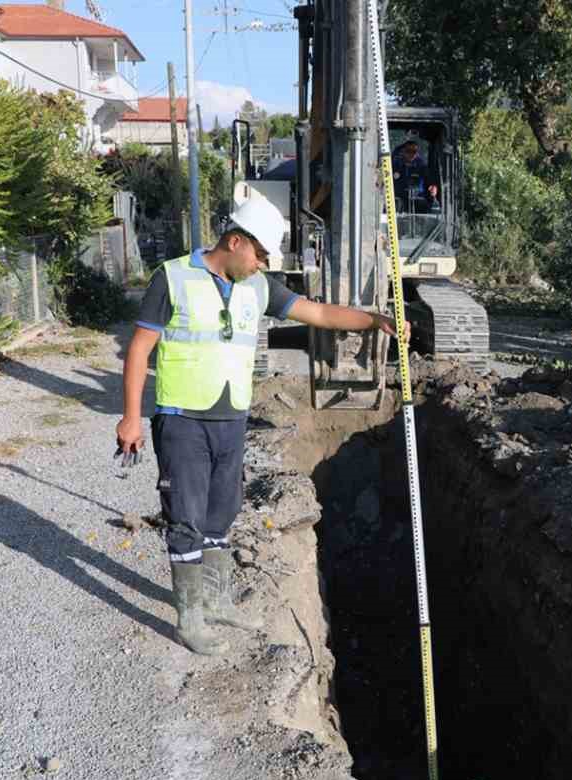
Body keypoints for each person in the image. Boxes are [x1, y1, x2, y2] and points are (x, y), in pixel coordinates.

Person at [116, 196, 405, 655]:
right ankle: (190, 618)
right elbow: (139, 350)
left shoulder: (259, 287)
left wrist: (374, 320)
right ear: (234, 242)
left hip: (231, 418)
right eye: (260, 256)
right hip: (183, 419)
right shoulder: (172, 278)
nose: (263, 265)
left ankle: (219, 599)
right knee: (186, 519)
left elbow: (319, 314)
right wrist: (131, 417)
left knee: (222, 514)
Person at [392, 137, 439, 213]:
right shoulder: (395, 165)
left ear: (417, 153)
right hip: (398, 202)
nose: (411, 154)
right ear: (403, 151)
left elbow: (430, 182)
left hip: (418, 202)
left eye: (414, 151)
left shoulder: (422, 166)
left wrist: (433, 187)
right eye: (408, 151)